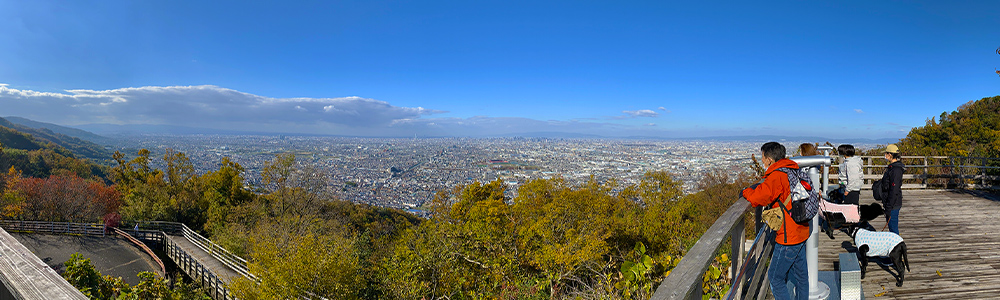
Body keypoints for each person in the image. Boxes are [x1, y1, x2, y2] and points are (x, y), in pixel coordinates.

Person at [743, 142, 809, 300]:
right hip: (802, 229)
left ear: (769, 159)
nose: (762, 161)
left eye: (763, 157)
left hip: (788, 236)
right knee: (801, 277)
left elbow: (759, 197)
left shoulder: (778, 175)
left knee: (775, 278)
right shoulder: (793, 169)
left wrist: (746, 191)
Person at [880, 144, 904, 235]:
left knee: (893, 229)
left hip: (893, 204)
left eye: (886, 153)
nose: (885, 156)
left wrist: (889, 206)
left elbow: (894, 189)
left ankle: (898, 246)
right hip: (890, 202)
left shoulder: (896, 170)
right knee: (891, 227)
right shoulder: (893, 168)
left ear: (890, 154)